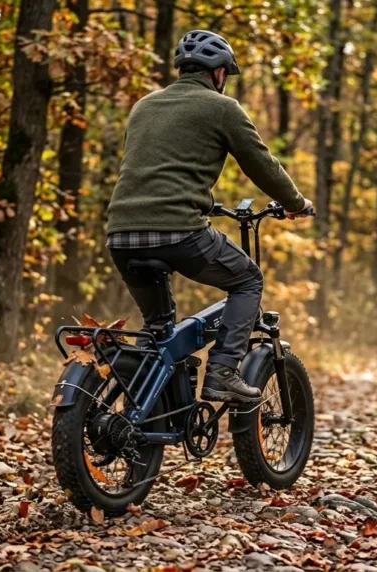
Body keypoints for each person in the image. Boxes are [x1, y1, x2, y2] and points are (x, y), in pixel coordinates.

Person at [106, 30, 313, 403]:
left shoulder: (144, 106)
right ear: (218, 72)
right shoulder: (222, 107)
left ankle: (154, 418)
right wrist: (296, 203)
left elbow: (155, 167)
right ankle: (222, 371)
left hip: (120, 234)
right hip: (178, 233)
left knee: (159, 331)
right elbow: (261, 164)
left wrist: (205, 198)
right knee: (248, 279)